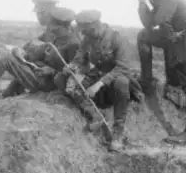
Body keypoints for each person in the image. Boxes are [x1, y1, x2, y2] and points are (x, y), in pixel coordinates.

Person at [0, 1, 79, 106]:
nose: (51, 28)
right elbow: (35, 48)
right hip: (39, 74)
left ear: (64, 26)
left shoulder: (72, 43)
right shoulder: (57, 37)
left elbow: (75, 74)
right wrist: (21, 52)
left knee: (5, 59)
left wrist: (51, 71)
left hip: (48, 83)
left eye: (54, 27)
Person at [132, 0, 186, 145]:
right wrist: (142, 3)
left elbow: (158, 20)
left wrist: (145, 6)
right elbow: (148, 25)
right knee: (143, 36)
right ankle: (146, 79)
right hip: (175, 39)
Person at [55, 9, 140, 151]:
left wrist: (99, 84)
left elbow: (123, 67)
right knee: (63, 80)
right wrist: (72, 66)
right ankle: (95, 116)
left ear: (93, 27)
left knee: (122, 82)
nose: (83, 34)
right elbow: (79, 57)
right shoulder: (88, 39)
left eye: (85, 30)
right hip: (97, 77)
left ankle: (118, 133)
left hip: (116, 81)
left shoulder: (117, 39)